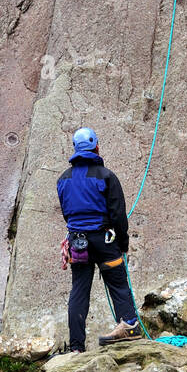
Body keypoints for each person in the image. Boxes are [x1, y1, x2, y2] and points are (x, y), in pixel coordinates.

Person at [56, 126, 141, 350]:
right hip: (104, 240)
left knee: (79, 289)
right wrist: (123, 243)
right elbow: (118, 215)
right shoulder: (106, 176)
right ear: (96, 147)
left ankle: (76, 346)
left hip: (78, 244)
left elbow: (67, 213)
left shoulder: (63, 180)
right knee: (117, 282)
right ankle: (129, 325)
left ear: (75, 148)